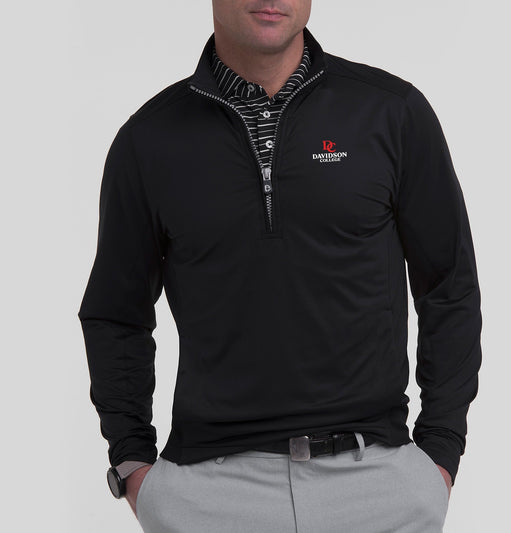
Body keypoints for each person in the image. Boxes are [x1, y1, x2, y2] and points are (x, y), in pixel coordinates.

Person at [77, 1, 482, 531]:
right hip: (210, 494)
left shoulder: (391, 112)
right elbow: (116, 313)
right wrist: (132, 463)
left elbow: (449, 284)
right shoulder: (149, 140)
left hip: (378, 487)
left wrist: (440, 452)